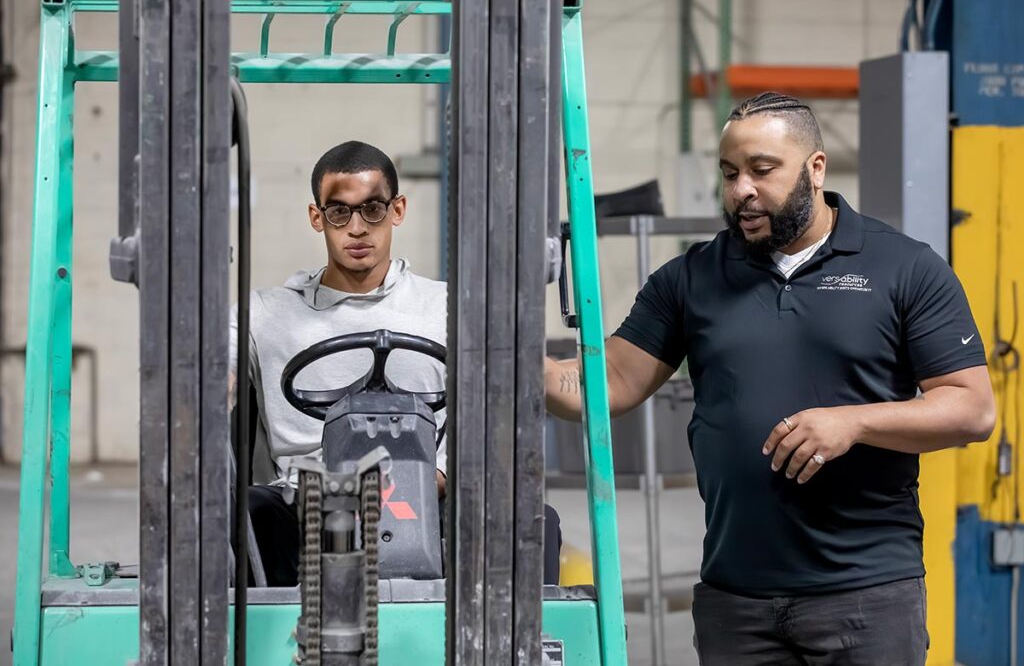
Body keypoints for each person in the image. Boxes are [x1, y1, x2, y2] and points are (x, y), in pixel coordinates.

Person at [544, 92, 996, 665]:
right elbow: (609, 381)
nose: (741, 192)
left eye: (761, 170)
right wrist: (517, 366)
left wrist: (853, 422)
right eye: (729, 174)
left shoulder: (903, 267)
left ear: (815, 167)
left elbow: (971, 409)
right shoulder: (692, 277)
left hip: (865, 597)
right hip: (737, 600)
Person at [231, 140, 560, 587]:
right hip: (305, 500)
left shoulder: (454, 307)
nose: (357, 229)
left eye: (372, 209)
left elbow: (492, 411)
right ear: (317, 218)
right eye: (339, 212)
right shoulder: (266, 314)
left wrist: (437, 476)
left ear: (397, 209)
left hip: (429, 491)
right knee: (236, 514)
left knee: (529, 517)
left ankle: (509, 650)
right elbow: (213, 367)